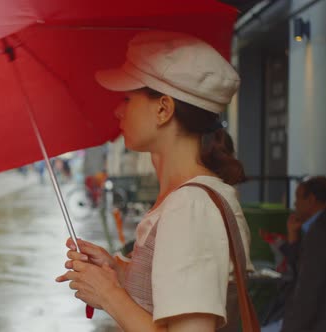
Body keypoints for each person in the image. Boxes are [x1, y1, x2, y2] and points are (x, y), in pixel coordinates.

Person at [55, 30, 253, 331]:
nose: (118, 110)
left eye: (127, 98)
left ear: (163, 109)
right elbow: (166, 293)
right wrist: (118, 272)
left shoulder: (190, 207)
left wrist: (109, 294)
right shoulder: (186, 199)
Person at [278, 177, 326, 332]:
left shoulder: (321, 232)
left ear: (312, 199)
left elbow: (307, 290)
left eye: (298, 198)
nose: (295, 204)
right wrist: (293, 238)